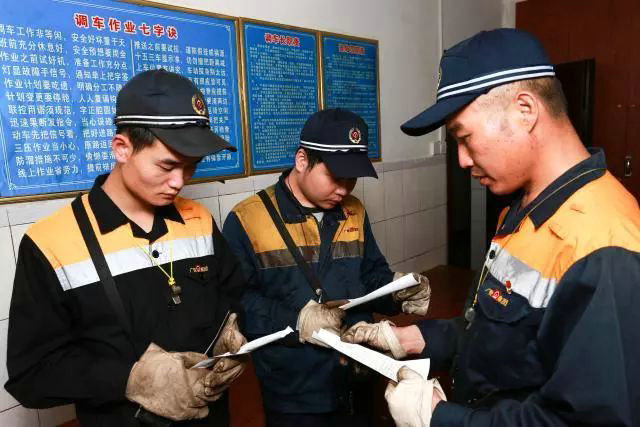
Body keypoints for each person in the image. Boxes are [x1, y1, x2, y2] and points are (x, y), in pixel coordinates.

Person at [342, 28, 640, 426]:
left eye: (465, 137)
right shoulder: (521, 211)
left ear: (525, 110)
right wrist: (412, 338)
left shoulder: (604, 245)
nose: (462, 160)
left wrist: (438, 418)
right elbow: (494, 332)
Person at [5, 69, 249, 426]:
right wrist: (130, 380)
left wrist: (234, 333)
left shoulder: (198, 220)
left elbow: (235, 298)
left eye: (191, 167)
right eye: (167, 165)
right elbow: (32, 375)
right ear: (122, 148)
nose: (179, 182)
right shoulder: (51, 242)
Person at [222, 108, 431, 426]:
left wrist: (397, 290)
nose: (344, 189)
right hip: (295, 390)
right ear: (302, 160)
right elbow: (238, 302)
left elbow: (370, 276)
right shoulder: (248, 219)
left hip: (359, 374)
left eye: (352, 178)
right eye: (335, 177)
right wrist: (297, 320)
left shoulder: (353, 211)